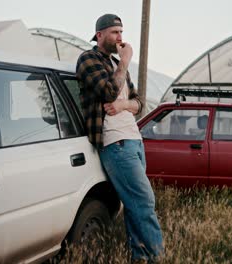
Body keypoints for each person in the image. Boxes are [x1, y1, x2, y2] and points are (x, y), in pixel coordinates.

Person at [76, 13, 164, 262]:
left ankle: (141, 257)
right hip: (115, 142)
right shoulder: (88, 59)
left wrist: (124, 104)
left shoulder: (116, 63)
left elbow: (140, 104)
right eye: (115, 32)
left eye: (122, 33)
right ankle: (155, 258)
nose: (120, 38)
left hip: (134, 140)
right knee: (145, 201)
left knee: (136, 206)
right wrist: (124, 62)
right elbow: (107, 92)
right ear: (99, 35)